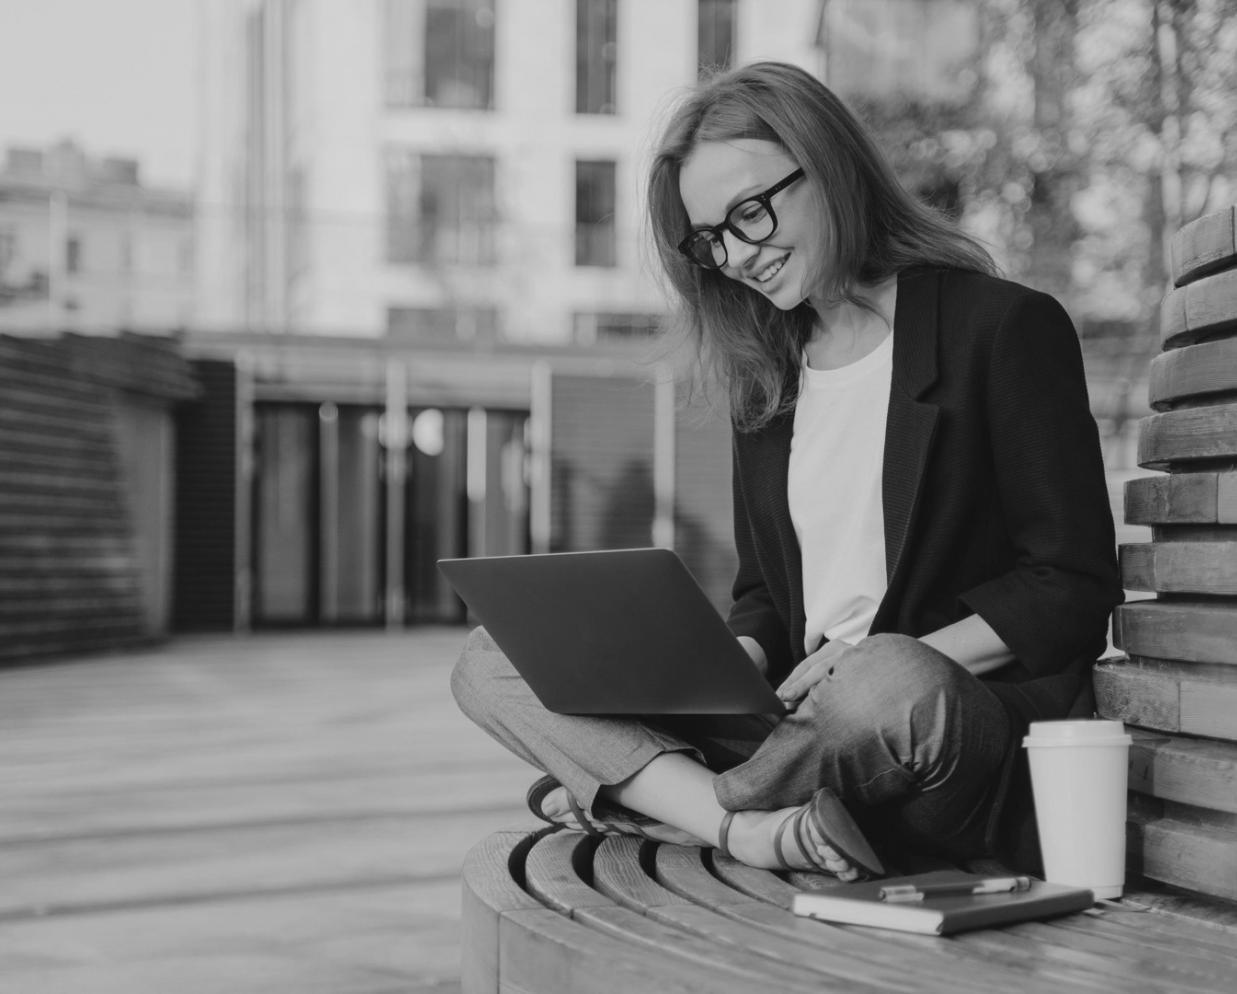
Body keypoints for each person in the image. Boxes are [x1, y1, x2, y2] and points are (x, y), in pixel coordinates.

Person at [451, 61, 1121, 879]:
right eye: (712, 240)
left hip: (939, 729)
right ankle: (752, 828)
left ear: (828, 165)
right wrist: (732, 662)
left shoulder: (1003, 329)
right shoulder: (769, 378)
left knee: (887, 676)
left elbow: (1072, 584)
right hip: (797, 730)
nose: (737, 255)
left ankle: (667, 803)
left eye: (751, 213)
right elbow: (766, 596)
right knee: (493, 655)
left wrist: (884, 657)